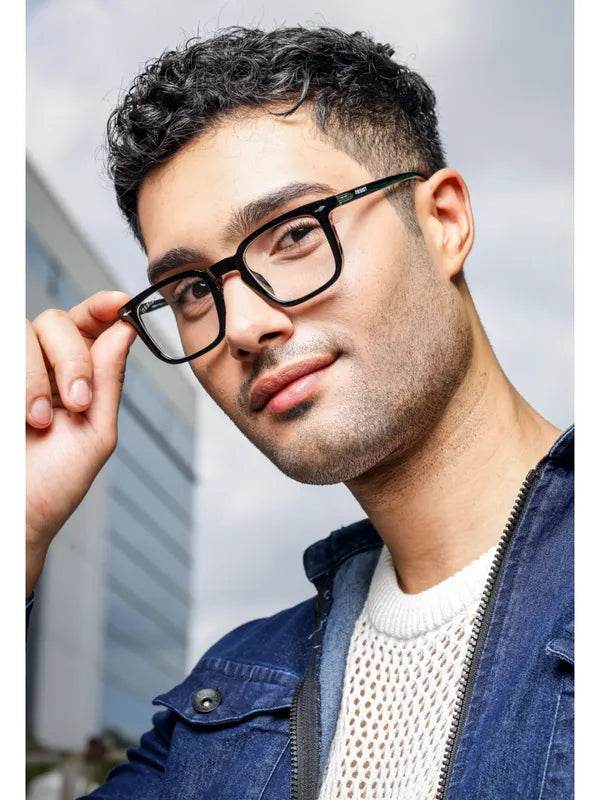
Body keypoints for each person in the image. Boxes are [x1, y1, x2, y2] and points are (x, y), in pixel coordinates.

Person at [25, 26, 573, 800]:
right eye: (192, 291)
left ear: (445, 222)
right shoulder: (213, 719)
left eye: (293, 234)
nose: (244, 325)